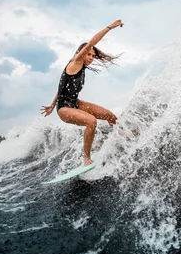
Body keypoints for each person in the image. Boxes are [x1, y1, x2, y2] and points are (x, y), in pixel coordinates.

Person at [41, 19, 124, 166]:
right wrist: (111, 27)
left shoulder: (81, 67)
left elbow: (60, 87)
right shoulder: (75, 63)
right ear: (81, 53)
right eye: (89, 54)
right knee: (91, 121)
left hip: (75, 104)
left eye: (93, 55)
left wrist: (51, 104)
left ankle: (122, 138)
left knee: (109, 115)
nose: (91, 58)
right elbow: (91, 43)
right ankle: (86, 158)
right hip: (64, 109)